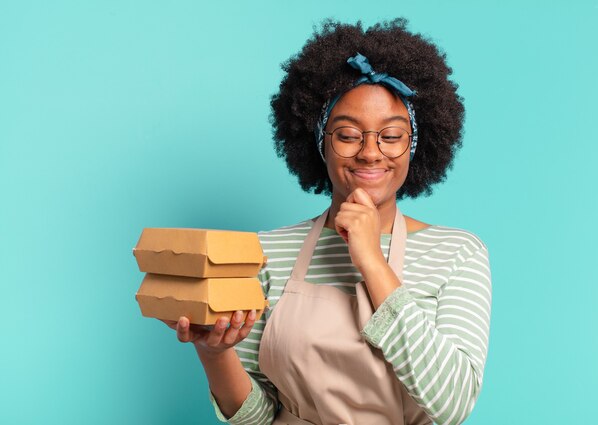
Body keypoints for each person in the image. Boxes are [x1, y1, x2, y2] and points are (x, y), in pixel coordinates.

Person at [162, 18, 492, 425]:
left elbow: (452, 403)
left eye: (391, 136)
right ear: (319, 142)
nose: (371, 153)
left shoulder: (457, 253)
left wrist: (371, 258)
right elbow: (260, 416)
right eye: (348, 134)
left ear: (415, 147)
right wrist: (214, 353)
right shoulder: (269, 252)